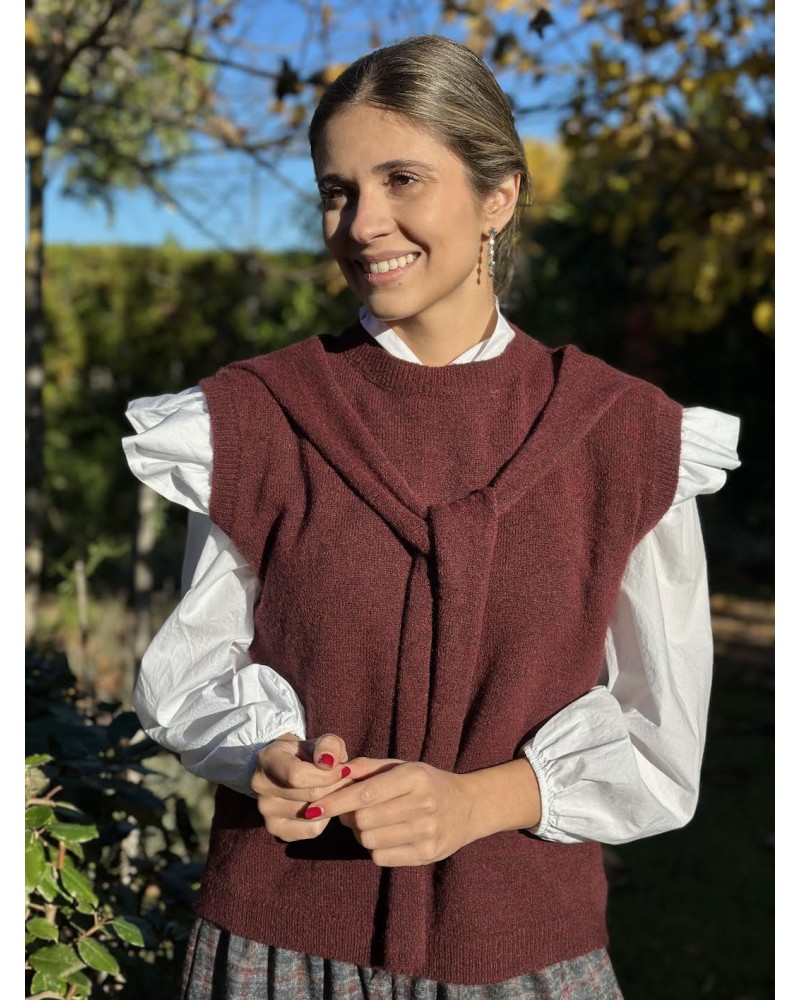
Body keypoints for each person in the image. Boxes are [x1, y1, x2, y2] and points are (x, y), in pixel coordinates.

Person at [122, 33, 740, 1000]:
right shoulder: (256, 421)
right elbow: (199, 673)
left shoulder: (626, 439)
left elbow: (659, 739)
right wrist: (272, 760)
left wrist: (479, 803)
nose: (364, 224)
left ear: (499, 196)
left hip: (522, 957)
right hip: (279, 951)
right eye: (337, 191)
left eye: (403, 179)